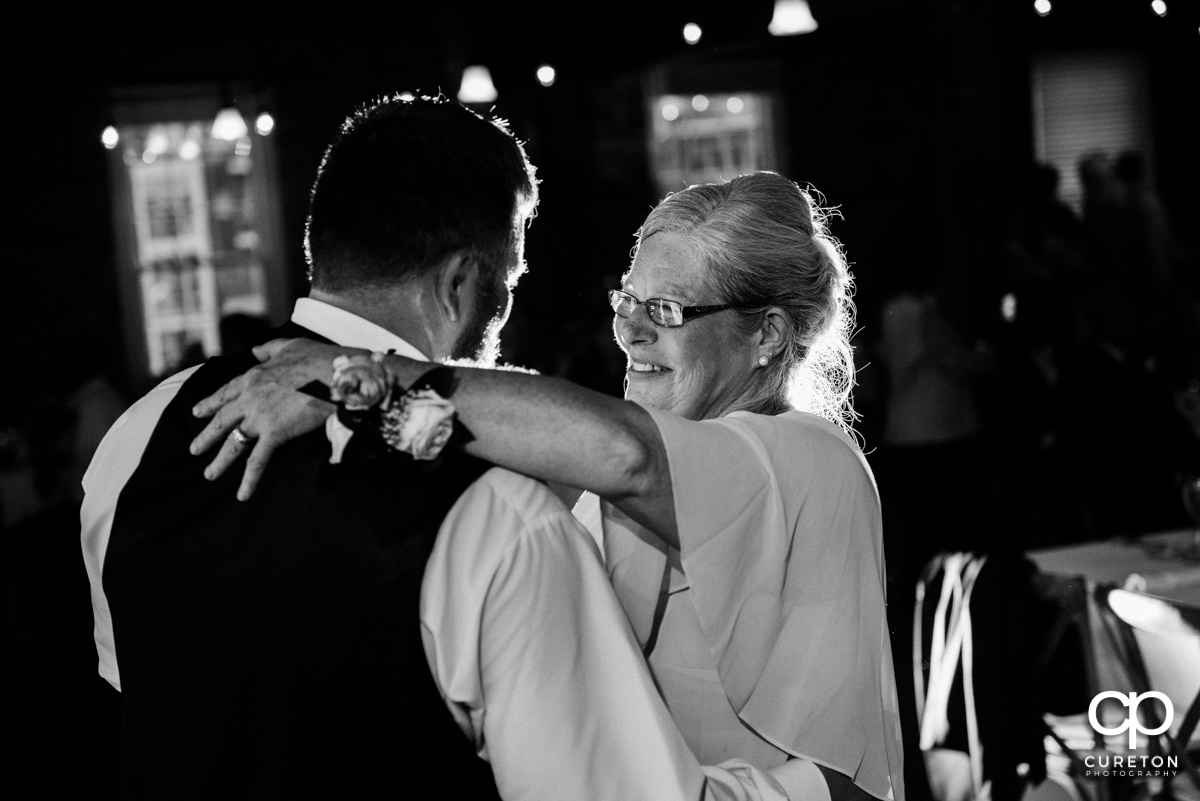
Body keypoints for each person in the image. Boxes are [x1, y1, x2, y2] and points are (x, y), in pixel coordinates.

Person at [81, 94, 800, 800]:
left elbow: (143, 694)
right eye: (508, 279)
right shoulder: (498, 512)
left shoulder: (135, 438)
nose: (507, 308)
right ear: (460, 285)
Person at [193, 171, 907, 801]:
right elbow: (477, 451)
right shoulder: (666, 448)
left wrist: (358, 379)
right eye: (628, 302)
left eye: (667, 312)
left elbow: (625, 454)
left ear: (768, 336)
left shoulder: (806, 458)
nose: (630, 335)